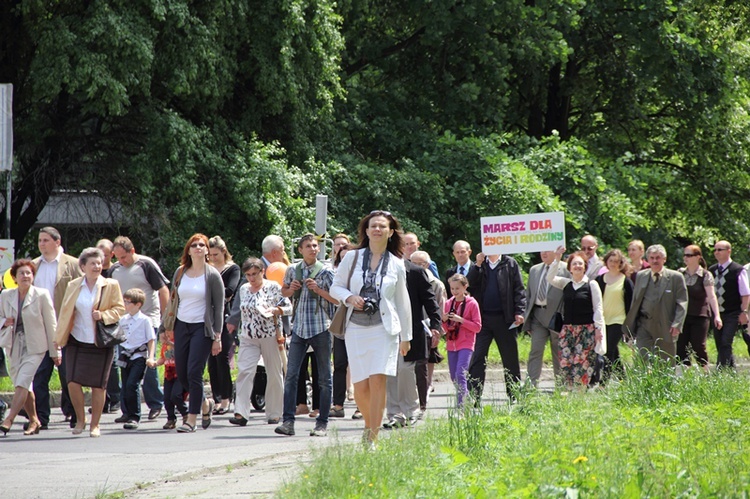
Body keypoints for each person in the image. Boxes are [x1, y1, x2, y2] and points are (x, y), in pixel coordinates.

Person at [330, 210, 412, 448]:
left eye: (382, 226)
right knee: (360, 385)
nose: (377, 229)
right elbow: (336, 287)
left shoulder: (397, 264)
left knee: (378, 380)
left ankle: (372, 438)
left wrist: (406, 337)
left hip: (384, 329)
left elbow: (402, 303)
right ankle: (370, 423)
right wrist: (349, 297)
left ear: (390, 232)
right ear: (366, 231)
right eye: (373, 226)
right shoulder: (352, 258)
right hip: (355, 327)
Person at [56, 247, 126, 437]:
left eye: (99, 262)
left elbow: (120, 309)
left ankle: (95, 424)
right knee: (71, 381)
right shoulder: (74, 285)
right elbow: (65, 312)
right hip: (76, 340)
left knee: (98, 385)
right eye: (92, 263)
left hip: (100, 342)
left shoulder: (110, 285)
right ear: (83, 266)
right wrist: (58, 338)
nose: (97, 266)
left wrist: (103, 315)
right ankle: (80, 419)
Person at [275, 234, 338, 437]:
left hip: (321, 327)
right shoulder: (293, 270)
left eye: (315, 246)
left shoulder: (327, 271)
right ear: (300, 250)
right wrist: (290, 289)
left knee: (324, 378)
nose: (312, 249)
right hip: (299, 328)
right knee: (291, 375)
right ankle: (288, 422)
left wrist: (318, 290)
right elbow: (283, 292)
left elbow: (337, 299)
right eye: (308, 246)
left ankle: (322, 423)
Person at [162, 234, 224, 433]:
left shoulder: (212, 275)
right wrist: (164, 327)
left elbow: (218, 308)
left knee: (194, 372)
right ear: (188, 250)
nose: (198, 248)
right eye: (194, 245)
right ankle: (205, 404)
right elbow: (172, 300)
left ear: (207, 251)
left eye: (202, 245)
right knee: (183, 373)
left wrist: (217, 336)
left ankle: (191, 419)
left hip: (202, 328)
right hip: (181, 326)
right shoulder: (180, 272)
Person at [110, 236, 168, 420]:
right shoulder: (114, 270)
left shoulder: (146, 264)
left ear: (132, 251)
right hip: (124, 324)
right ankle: (128, 410)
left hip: (147, 320)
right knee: (125, 364)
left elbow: (163, 290)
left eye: (124, 257)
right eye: (117, 257)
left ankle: (155, 403)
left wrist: (165, 320)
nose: (121, 261)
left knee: (145, 362)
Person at [31, 226, 82, 429]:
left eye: (46, 240)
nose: (42, 244)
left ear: (57, 242)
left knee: (67, 373)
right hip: (41, 327)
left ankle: (72, 412)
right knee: (40, 373)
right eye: (40, 240)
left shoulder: (72, 263)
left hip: (65, 325)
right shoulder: (34, 265)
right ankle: (41, 417)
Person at [230, 257, 290, 427]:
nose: (251, 278)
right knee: (245, 371)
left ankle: (274, 413)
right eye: (248, 275)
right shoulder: (244, 289)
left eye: (254, 274)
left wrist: (276, 310)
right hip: (248, 336)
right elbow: (241, 311)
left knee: (274, 373)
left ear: (262, 272)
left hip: (270, 335)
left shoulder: (273, 287)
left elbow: (288, 307)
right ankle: (241, 412)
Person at [0, 259, 58, 436]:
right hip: (13, 343)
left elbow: (51, 324)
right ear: (15, 278)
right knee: (23, 384)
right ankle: (34, 420)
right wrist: (4, 321)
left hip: (36, 345)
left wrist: (55, 351)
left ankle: (9, 418)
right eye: (22, 273)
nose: (25, 276)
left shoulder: (41, 295)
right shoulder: (6, 295)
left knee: (24, 380)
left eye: (29, 273)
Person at [383, 256, 441, 429]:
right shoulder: (380, 270)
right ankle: (394, 414)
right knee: (390, 371)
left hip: (410, 328)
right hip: (386, 328)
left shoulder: (415, 272)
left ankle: (410, 411)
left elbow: (429, 300)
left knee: (405, 369)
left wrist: (436, 325)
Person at [467, 252, 525, 402]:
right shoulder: (480, 264)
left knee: (510, 359)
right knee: (478, 358)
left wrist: (519, 311)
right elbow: (468, 284)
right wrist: (477, 265)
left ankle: (514, 396)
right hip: (482, 320)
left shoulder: (510, 263)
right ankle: (474, 397)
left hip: (505, 319)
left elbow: (519, 289)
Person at [546, 246, 606, 388]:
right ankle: (569, 392)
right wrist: (557, 259)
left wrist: (599, 330)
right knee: (566, 363)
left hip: (586, 331)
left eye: (580, 264)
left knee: (583, 363)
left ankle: (580, 394)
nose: (578, 266)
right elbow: (550, 278)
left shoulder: (592, 284)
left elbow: (598, 308)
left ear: (585, 267)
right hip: (568, 331)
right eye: (574, 264)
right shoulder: (566, 283)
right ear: (570, 268)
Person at [624, 244, 688, 364]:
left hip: (666, 325)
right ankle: (644, 383)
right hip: (644, 324)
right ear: (647, 259)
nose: (655, 261)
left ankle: (666, 383)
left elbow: (682, 302)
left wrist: (677, 323)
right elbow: (635, 300)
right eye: (652, 258)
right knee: (642, 360)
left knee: (666, 363)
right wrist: (631, 325)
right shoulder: (641, 276)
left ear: (664, 259)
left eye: (658, 257)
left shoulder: (676, 277)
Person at [523, 250, 569, 387]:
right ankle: (530, 386)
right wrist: (528, 319)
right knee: (535, 350)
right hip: (538, 315)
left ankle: (561, 386)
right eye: (542, 250)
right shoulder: (534, 269)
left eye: (547, 250)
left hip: (557, 316)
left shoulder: (566, 269)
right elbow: (529, 296)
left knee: (558, 352)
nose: (544, 253)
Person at [409, 250, 446, 414]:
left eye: (421, 264)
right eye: (414, 263)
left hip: (427, 328)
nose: (417, 267)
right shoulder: (405, 278)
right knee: (406, 367)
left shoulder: (436, 284)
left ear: (428, 265)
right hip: (408, 327)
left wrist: (436, 329)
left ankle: (422, 403)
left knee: (423, 366)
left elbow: (438, 307)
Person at [207, 235, 240, 415]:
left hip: (225, 315)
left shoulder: (231, 269)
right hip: (207, 317)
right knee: (211, 362)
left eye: (216, 254)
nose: (213, 258)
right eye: (210, 255)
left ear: (224, 252)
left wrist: (211, 294)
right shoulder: (206, 269)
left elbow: (229, 291)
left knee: (222, 359)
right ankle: (217, 398)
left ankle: (227, 398)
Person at [117, 288, 156, 430]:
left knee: (132, 384)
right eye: (125, 302)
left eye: (129, 302)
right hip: (125, 355)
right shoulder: (123, 320)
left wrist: (150, 357)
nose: (126, 305)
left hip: (139, 356)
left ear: (138, 304)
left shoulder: (145, 320)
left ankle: (135, 416)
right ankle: (126, 412)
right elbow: (119, 337)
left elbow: (151, 339)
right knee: (125, 385)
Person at [330, 242, 361, 419]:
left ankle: (361, 406)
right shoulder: (338, 276)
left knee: (359, 366)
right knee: (340, 364)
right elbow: (334, 293)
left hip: (361, 323)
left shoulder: (363, 274)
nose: (344, 261)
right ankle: (338, 405)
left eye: (348, 258)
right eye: (341, 259)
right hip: (342, 323)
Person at [678, 245, 721, 370]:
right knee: (681, 346)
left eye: (689, 255)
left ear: (698, 257)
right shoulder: (680, 273)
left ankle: (705, 373)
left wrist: (717, 316)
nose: (686, 258)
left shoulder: (705, 275)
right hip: (683, 316)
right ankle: (685, 375)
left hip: (700, 316)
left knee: (698, 345)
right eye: (685, 255)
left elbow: (712, 297)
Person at [442, 274, 482, 407]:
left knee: (460, 373)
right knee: (454, 376)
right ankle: (467, 398)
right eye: (452, 289)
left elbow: (477, 327)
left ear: (465, 287)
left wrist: (461, 320)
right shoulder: (448, 303)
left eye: (457, 288)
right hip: (451, 344)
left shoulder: (472, 303)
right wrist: (443, 320)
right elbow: (444, 329)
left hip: (466, 343)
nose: (454, 291)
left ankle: (461, 407)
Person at [709, 241, 750, 368]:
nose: (717, 252)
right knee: (719, 342)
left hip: (733, 312)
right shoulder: (712, 270)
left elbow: (745, 293)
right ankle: (731, 371)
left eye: (720, 250)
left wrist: (743, 312)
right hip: (717, 313)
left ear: (728, 251)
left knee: (726, 342)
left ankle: (721, 371)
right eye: (715, 250)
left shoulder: (737, 270)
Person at [595, 249, 634, 381]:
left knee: (608, 350)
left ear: (621, 263)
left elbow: (631, 303)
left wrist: (630, 325)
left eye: (616, 261)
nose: (613, 263)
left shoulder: (626, 281)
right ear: (606, 262)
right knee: (614, 353)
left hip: (618, 320)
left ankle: (603, 382)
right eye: (610, 261)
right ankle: (623, 379)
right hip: (603, 320)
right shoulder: (599, 279)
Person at [95, 238, 120, 414]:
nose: (101, 258)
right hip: (94, 321)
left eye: (104, 255)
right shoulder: (92, 272)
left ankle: (116, 397)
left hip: (111, 321)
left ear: (112, 254)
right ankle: (102, 401)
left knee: (113, 362)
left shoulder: (115, 271)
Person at [155, 330, 188, 430]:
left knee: (176, 395)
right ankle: (171, 419)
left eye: (169, 332)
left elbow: (181, 351)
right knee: (167, 398)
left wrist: (170, 343)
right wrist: (155, 363)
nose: (167, 334)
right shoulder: (166, 345)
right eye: (166, 332)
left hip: (179, 373)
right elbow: (163, 358)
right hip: (168, 373)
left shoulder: (179, 342)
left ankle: (186, 413)